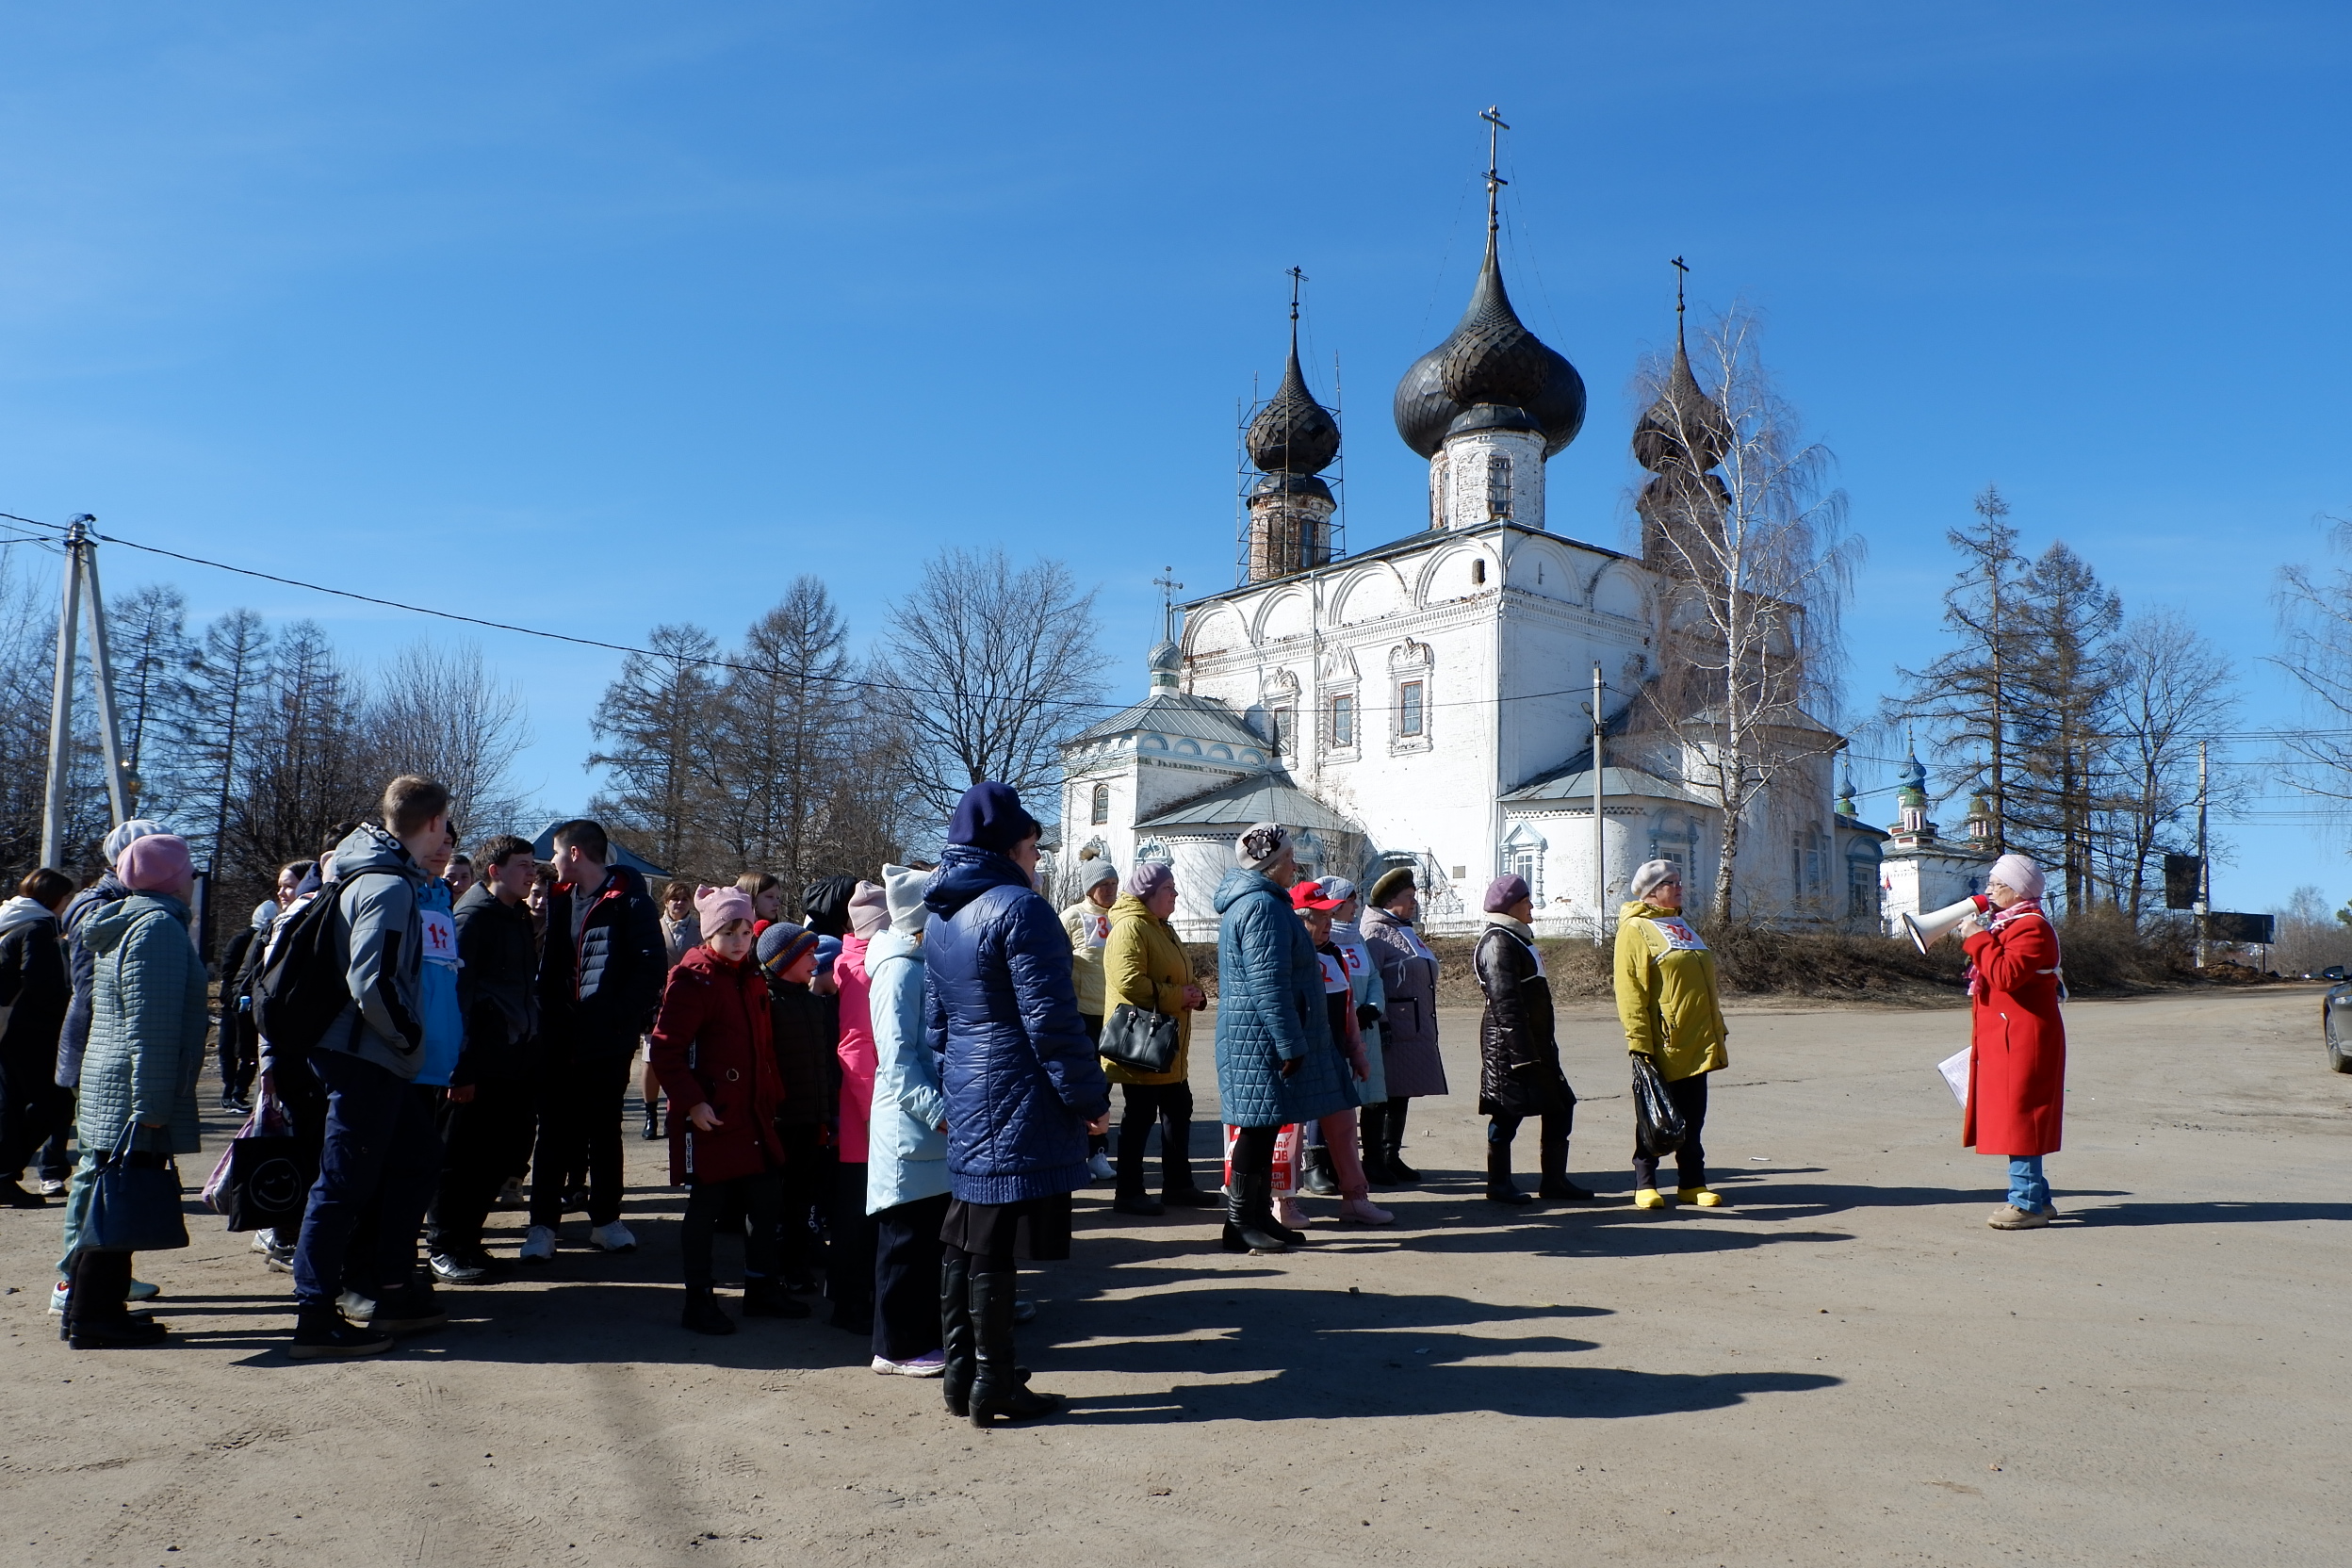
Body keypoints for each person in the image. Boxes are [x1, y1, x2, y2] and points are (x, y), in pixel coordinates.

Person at [925, 781, 1111, 1425]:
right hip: (1017, 1087)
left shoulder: (941, 914)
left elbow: (939, 1027)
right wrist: (1090, 1098)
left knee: (966, 1235)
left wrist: (956, 1088)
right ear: (1010, 845)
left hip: (974, 1089)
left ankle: (963, 1373)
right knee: (995, 1239)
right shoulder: (1018, 908)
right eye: (1034, 846)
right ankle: (994, 1381)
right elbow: (1053, 1024)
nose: (1038, 859)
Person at [285, 779, 459, 1359]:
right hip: (365, 1057)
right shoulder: (388, 885)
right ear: (433, 821)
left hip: (371, 1055)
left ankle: (391, 1290)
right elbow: (373, 980)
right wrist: (409, 1035)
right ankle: (315, 1319)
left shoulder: (382, 875)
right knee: (340, 1187)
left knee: (418, 1158)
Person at [57, 834, 207, 1348]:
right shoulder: (159, 928)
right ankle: (96, 1319)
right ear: (169, 877)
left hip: (109, 1085)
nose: (192, 880)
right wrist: (151, 1104)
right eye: (187, 870)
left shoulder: (127, 922)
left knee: (107, 1200)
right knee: (116, 1206)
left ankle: (86, 1310)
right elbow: (153, 1027)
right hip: (131, 1092)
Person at [649, 885, 808, 1333]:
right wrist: (693, 1102)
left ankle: (761, 1286)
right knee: (707, 1206)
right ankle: (698, 1299)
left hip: (754, 1112)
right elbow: (666, 1051)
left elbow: (763, 1046)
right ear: (710, 933)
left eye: (745, 931)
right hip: (714, 1115)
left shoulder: (752, 976)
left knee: (766, 1198)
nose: (740, 940)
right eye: (729, 931)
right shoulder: (692, 978)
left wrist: (772, 1094)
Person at [523, 819, 665, 1265]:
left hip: (607, 1041)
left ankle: (606, 1221)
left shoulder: (631, 901)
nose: (552, 862)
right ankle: (542, 1227)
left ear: (577, 854)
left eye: (557, 853)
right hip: (558, 1037)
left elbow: (649, 970)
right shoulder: (558, 900)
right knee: (554, 1133)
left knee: (604, 1133)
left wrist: (616, 1020)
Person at [1211, 823, 1355, 1254]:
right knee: (1256, 1130)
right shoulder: (1261, 907)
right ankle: (1239, 1223)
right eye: (1289, 858)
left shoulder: (1261, 902)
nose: (1295, 865)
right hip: (1260, 1039)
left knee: (1266, 1126)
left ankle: (1255, 1218)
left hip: (1258, 1036)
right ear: (1270, 864)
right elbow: (1268, 983)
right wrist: (1290, 1042)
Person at [428, 835, 542, 1284]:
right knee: (458, 1158)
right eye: (522, 865)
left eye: (533, 864)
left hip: (512, 1062)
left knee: (492, 1159)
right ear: (494, 870)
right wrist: (461, 1067)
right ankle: (443, 1247)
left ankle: (468, 1242)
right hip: (474, 1066)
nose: (531, 872)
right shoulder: (472, 919)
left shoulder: (515, 917)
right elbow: (456, 997)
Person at [864, 863, 949, 1375]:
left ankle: (920, 1335)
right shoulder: (898, 970)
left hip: (930, 1129)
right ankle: (894, 1347)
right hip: (911, 1128)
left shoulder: (918, 963)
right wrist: (940, 1113)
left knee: (924, 1244)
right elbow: (896, 1062)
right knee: (904, 1244)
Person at [1955, 853, 2066, 1231]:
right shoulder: (2010, 925)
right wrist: (1983, 938)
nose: (1988, 889)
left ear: (2018, 890)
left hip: (2024, 1038)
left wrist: (1977, 938)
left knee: (2023, 1118)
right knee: (2014, 1117)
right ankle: (2039, 1199)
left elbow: (2004, 975)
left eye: (1996, 883)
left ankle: (2027, 1205)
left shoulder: (2032, 928)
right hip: (2009, 1037)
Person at [1099, 861, 1215, 1217]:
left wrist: (1194, 995)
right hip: (1143, 1044)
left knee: (1178, 1111)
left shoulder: (1162, 927)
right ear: (1149, 894)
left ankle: (1178, 1185)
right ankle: (1129, 1192)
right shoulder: (1131, 928)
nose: (1175, 895)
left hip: (1168, 1045)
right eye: (1169, 889)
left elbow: (1181, 973)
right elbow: (1128, 982)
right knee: (1139, 1117)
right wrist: (1178, 996)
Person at [1613, 860, 1726, 1210]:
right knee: (1656, 1112)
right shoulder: (1636, 929)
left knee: (1694, 1117)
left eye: (1679, 881)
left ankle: (1692, 1184)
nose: (1680, 887)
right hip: (1664, 1040)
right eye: (1671, 883)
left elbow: (1703, 983)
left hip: (1699, 1038)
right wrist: (1639, 1043)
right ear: (1651, 892)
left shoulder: (1680, 925)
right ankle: (1645, 1182)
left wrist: (1716, 1025)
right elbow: (1630, 989)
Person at [1478, 874, 1588, 1205]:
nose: (1532, 907)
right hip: (1511, 1046)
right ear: (1511, 906)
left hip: (1535, 1044)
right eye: (1526, 902)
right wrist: (1521, 1053)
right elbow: (1505, 1001)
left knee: (1559, 1105)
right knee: (1507, 1112)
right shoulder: (1498, 942)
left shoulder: (1517, 939)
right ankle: (1498, 1184)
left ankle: (1554, 1182)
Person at [1291, 881, 1392, 1226]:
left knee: (1346, 1130)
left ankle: (1355, 1198)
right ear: (1300, 920)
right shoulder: (1288, 955)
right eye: (1321, 915)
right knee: (1288, 1135)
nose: (1329, 921)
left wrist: (1357, 1052)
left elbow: (1347, 1007)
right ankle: (1284, 1203)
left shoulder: (1335, 953)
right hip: (1298, 1058)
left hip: (1334, 1055)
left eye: (1330, 913)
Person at [825, 880, 889, 1335]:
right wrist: (876, 1113)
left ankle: (849, 1298)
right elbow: (857, 1047)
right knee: (859, 1219)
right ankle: (850, 1304)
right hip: (866, 1118)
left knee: (858, 1216)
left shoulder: (854, 962)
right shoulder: (865, 969)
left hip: (863, 1114)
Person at [1359, 867, 1446, 1184]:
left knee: (1401, 1094)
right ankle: (1375, 1160)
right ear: (1390, 900)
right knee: (1380, 1096)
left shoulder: (1402, 928)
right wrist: (1381, 1021)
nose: (1414, 903)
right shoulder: (1374, 933)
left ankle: (1391, 1155)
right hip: (1391, 1029)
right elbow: (1370, 982)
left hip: (1411, 1028)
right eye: (1409, 897)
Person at [756, 918, 829, 1292]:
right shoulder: (766, 1002)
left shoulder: (812, 1002)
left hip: (809, 1117)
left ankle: (797, 1269)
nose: (815, 962)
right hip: (780, 1119)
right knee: (774, 1201)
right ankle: (768, 1271)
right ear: (785, 961)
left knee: (802, 1198)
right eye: (809, 955)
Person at [1, 869, 76, 1208]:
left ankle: (4, 1176)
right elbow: (41, 983)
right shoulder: (41, 925)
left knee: (9, 1104)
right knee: (56, 1103)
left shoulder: (9, 920)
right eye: (67, 897)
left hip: (7, 1029)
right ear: (54, 897)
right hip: (33, 1031)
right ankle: (5, 1172)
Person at [1060, 859, 1120, 1182]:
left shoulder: (1121, 915)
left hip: (1113, 1014)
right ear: (1089, 889)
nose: (1110, 890)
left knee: (1103, 1087)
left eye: (1114, 884)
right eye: (1104, 885)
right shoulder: (1072, 916)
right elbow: (1057, 959)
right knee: (1078, 1085)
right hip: (1081, 1013)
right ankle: (1075, 1152)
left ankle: (1098, 1152)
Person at [644, 877, 702, 1142]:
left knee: (685, 1058)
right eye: (674, 899)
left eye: (684, 899)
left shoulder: (701, 930)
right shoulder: (652, 928)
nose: (679, 904)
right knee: (650, 1058)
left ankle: (674, 1112)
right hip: (657, 1000)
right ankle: (650, 1115)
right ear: (665, 902)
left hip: (688, 1000)